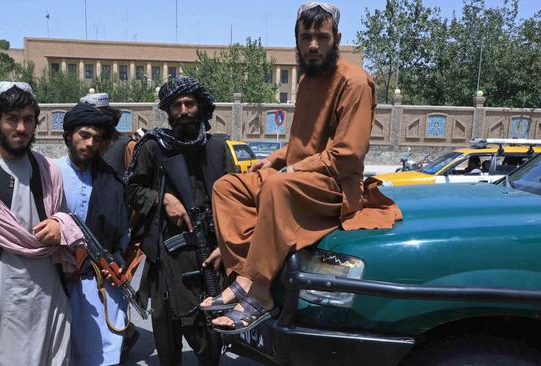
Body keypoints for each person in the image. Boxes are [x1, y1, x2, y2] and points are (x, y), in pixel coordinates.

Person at [200, 2, 402, 334]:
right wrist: (278, 158)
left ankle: (261, 293)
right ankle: (244, 276)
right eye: (305, 36)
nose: (312, 45)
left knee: (277, 187)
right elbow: (307, 142)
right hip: (299, 178)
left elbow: (347, 154)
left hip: (334, 185)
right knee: (227, 188)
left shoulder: (355, 82)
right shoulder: (308, 79)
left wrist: (291, 171)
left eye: (321, 37)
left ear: (336, 38)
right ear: (296, 38)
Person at [0, 81, 84, 365]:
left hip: (46, 295)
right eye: (12, 119)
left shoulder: (48, 170)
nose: (21, 128)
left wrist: (60, 226)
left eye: (28, 120)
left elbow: (65, 218)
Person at [125, 76, 233, 366]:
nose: (184, 110)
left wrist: (227, 247)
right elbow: (132, 190)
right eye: (177, 105)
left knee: (209, 333)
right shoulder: (154, 147)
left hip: (209, 252)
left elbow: (237, 204)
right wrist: (163, 200)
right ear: (168, 111)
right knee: (167, 333)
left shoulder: (217, 148)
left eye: (189, 103)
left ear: (200, 107)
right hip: (166, 254)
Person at [56, 102, 132, 365]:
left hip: (98, 281)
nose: (90, 144)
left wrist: (119, 258)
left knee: (102, 353)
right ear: (68, 135)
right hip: (56, 279)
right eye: (84, 135)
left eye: (97, 139)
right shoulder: (49, 172)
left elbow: (122, 233)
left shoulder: (111, 180)